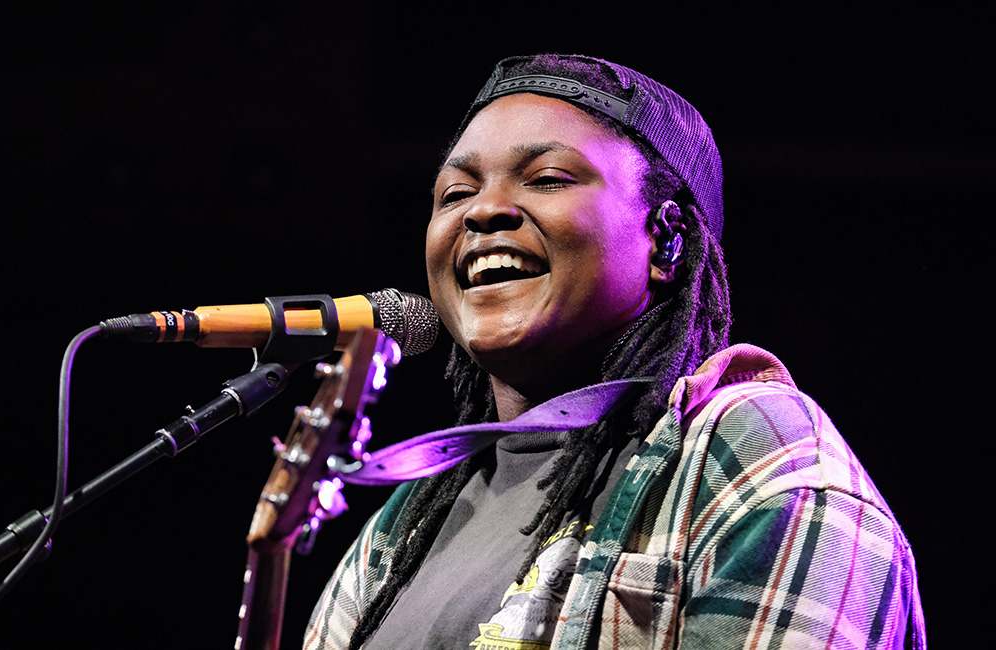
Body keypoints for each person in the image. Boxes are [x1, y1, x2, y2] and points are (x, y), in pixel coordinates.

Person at [304, 53, 926, 649]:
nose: (485, 211)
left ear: (666, 241)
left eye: (547, 179)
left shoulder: (753, 454)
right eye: (454, 194)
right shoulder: (406, 520)